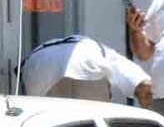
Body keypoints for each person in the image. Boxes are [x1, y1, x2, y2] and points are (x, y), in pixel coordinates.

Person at [19, 34, 153, 105]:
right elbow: (145, 86)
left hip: (38, 60)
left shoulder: (100, 51)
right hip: (84, 59)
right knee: (92, 121)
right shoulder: (107, 54)